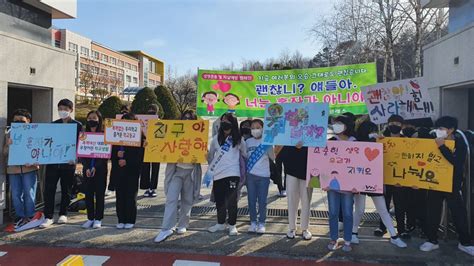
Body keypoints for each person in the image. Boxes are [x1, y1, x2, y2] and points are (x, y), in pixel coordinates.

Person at [420, 116, 474, 256]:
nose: (438, 131)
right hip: (435, 183)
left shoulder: (460, 143)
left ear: (451, 130)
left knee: (459, 213)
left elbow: (456, 162)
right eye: (437, 128)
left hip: (452, 184)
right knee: (432, 213)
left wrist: (442, 147)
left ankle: (465, 242)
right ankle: (432, 241)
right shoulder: (431, 142)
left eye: (441, 128)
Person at [351, 120, 407, 248]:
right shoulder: (356, 142)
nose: (374, 133)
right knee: (360, 209)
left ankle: (393, 236)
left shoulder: (380, 141)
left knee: (382, 209)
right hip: (360, 180)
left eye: (374, 131)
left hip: (374, 180)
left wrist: (380, 141)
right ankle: (354, 233)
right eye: (371, 131)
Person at [154, 110, 202, 243]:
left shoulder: (198, 135)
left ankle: (183, 224)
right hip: (177, 172)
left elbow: (204, 155)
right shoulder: (174, 133)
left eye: (190, 119)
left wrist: (204, 153)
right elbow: (161, 146)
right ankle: (167, 227)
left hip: (191, 173)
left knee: (187, 200)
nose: (187, 120)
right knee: (171, 198)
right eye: (185, 118)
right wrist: (149, 145)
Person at [40, 99, 83, 228]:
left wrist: (77, 158)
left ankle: (63, 213)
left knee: (66, 189)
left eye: (65, 109)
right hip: (53, 163)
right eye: (60, 109)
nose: (62, 111)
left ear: (71, 110)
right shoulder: (54, 124)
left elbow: (81, 144)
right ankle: (48, 216)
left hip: (68, 163)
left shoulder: (78, 125)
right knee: (49, 189)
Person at [207, 113, 247, 236]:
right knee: (220, 201)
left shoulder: (238, 139)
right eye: (223, 120)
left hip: (232, 174)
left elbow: (245, 154)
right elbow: (211, 155)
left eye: (227, 121)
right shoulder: (215, 139)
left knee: (231, 201)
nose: (224, 123)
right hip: (218, 174)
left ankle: (232, 225)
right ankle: (220, 223)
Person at [374, 115, 411, 239]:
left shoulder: (407, 140)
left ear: (402, 125)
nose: (394, 125)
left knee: (401, 204)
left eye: (397, 123)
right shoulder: (382, 139)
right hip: (383, 178)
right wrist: (377, 141)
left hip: (400, 178)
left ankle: (401, 228)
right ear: (388, 124)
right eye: (391, 122)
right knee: (383, 203)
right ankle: (382, 226)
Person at [3, 109, 39, 228]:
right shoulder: (9, 134)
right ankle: (19, 216)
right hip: (13, 169)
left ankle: (30, 216)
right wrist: (8, 145)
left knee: (29, 193)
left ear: (28, 121)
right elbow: (4, 152)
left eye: (22, 121)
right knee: (16, 194)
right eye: (16, 121)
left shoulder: (35, 133)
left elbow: (41, 152)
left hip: (30, 168)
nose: (19, 123)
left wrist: (35, 162)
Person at [325, 115, 356, 252]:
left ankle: (348, 240)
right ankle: (333, 238)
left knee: (348, 213)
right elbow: (322, 162)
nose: (336, 126)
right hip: (332, 185)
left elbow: (361, 165)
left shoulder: (355, 142)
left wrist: (359, 185)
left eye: (339, 123)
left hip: (350, 186)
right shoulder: (330, 141)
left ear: (347, 125)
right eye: (334, 123)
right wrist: (323, 181)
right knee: (333, 213)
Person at [112, 113, 143, 229]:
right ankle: (121, 219)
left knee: (130, 195)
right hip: (118, 170)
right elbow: (108, 151)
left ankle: (130, 219)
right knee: (119, 195)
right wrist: (116, 154)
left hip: (132, 170)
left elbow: (140, 155)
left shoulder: (139, 136)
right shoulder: (115, 135)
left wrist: (127, 160)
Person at [276, 142, 312, 240]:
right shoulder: (288, 129)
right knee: (292, 200)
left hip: (308, 170)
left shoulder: (311, 128)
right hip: (291, 169)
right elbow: (278, 152)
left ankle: (305, 228)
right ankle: (292, 227)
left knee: (306, 202)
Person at [246, 119, 275, 234]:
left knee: (262, 201)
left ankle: (262, 222)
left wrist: (270, 146)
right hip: (250, 175)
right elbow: (244, 156)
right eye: (253, 128)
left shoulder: (266, 142)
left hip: (264, 176)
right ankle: (253, 222)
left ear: (263, 129)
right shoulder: (247, 141)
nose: (255, 130)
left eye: (258, 127)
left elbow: (273, 157)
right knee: (251, 200)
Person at [80, 111, 108, 229]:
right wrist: (86, 167)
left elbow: (106, 153)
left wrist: (96, 167)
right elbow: (82, 154)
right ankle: (90, 218)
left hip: (100, 170)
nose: (92, 120)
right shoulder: (83, 135)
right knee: (88, 194)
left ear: (99, 119)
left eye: (94, 118)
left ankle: (98, 218)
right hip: (87, 170)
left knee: (100, 194)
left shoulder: (104, 134)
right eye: (89, 118)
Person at [140, 104, 161, 197]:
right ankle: (146, 187)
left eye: (153, 110)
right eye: (150, 110)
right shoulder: (142, 123)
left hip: (156, 148)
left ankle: (153, 188)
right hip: (145, 148)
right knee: (145, 168)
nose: (151, 112)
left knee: (155, 168)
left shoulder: (160, 122)